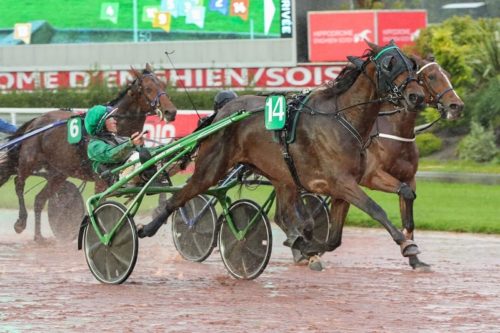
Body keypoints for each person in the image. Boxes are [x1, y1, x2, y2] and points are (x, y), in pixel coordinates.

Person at [84, 105, 152, 185]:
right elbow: (113, 155)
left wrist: (140, 146)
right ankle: (149, 176)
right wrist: (131, 143)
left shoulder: (122, 139)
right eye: (111, 118)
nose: (115, 121)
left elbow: (147, 152)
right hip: (119, 178)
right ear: (101, 124)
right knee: (137, 157)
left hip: (132, 170)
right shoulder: (94, 146)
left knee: (158, 156)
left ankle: (152, 176)